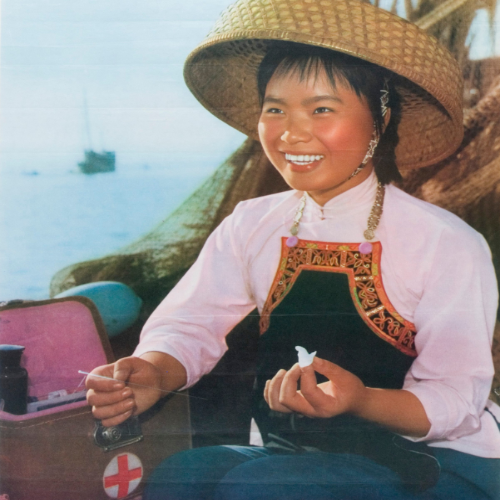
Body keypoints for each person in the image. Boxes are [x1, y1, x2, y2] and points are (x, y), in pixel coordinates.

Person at [85, 0, 500, 498]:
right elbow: (189, 324)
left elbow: (457, 399)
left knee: (258, 487)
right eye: (275, 109)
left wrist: (359, 399)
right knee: (183, 476)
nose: (291, 132)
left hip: (435, 462)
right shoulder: (253, 224)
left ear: (381, 119)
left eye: (321, 109)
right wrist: (153, 370)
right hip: (299, 457)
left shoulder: (446, 243)